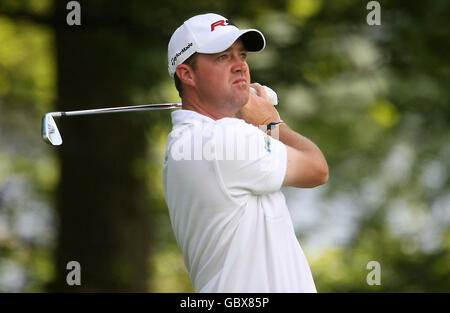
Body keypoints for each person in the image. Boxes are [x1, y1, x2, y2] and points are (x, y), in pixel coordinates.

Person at [162, 13, 328, 293]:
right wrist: (271, 121)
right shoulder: (223, 138)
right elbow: (316, 169)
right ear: (187, 74)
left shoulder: (187, 141)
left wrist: (261, 125)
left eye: (241, 55)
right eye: (222, 57)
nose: (240, 66)